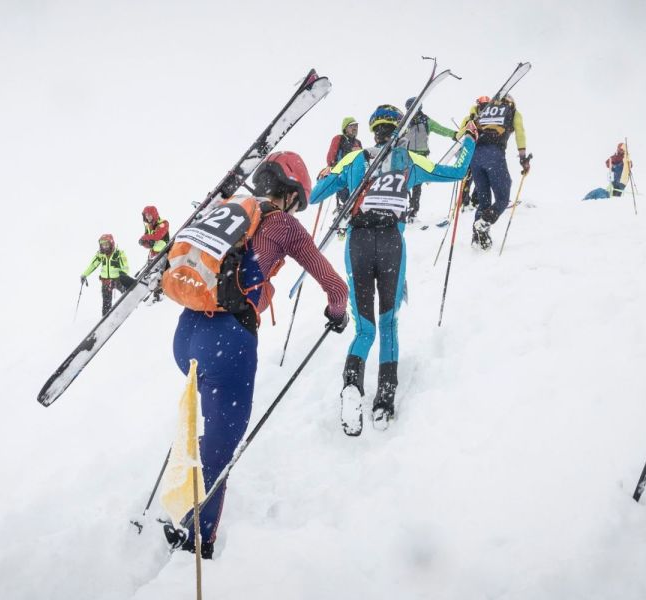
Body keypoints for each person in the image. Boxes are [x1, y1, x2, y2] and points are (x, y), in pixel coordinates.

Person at [163, 151, 349, 559]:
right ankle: (198, 541)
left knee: (206, 419)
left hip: (187, 332)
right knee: (219, 450)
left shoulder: (227, 212)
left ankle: (186, 488)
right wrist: (338, 312)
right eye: (298, 201)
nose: (296, 209)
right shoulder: (283, 224)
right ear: (289, 192)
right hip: (229, 343)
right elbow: (334, 285)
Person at [310, 104, 477, 434]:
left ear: (373, 130)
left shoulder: (356, 158)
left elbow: (316, 196)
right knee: (388, 324)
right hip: (390, 242)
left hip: (357, 242)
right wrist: (469, 140)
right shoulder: (409, 160)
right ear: (398, 129)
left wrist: (327, 175)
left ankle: (352, 385)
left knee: (365, 329)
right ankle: (384, 402)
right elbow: (456, 172)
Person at [455, 94, 530, 250]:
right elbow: (520, 133)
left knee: (484, 201)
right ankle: (484, 223)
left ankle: (478, 240)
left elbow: (460, 133)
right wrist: (523, 158)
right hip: (494, 155)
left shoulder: (479, 110)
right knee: (503, 198)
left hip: (475, 157)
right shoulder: (513, 111)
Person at [403, 97, 457, 222]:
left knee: (417, 185)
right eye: (409, 109)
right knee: (403, 184)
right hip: (407, 156)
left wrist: (454, 134)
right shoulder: (404, 122)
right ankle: (402, 210)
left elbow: (441, 129)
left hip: (420, 158)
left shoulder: (426, 121)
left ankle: (413, 212)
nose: (410, 111)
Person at [80, 234, 133, 315]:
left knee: (126, 294)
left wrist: (123, 274)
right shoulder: (100, 254)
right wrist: (85, 274)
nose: (105, 247)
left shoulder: (119, 253)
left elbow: (125, 266)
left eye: (106, 244)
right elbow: (93, 265)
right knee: (106, 302)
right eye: (103, 245)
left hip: (117, 280)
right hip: (106, 281)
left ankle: (131, 304)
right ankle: (105, 317)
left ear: (111, 243)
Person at [324, 117, 363, 212]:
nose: (355, 128)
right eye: (352, 126)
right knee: (346, 197)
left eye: (356, 126)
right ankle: (344, 211)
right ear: (345, 128)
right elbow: (331, 155)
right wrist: (332, 167)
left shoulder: (358, 142)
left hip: (356, 175)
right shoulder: (339, 138)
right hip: (342, 174)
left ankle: (351, 212)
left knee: (358, 197)